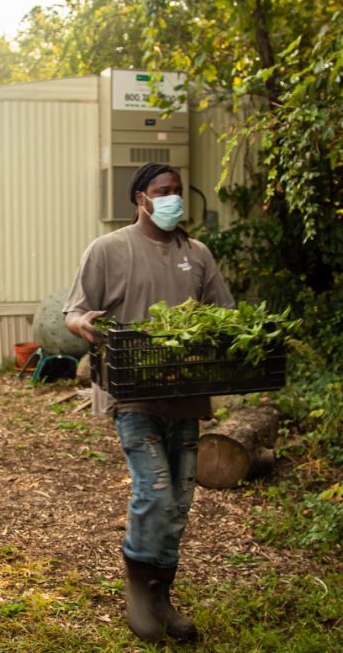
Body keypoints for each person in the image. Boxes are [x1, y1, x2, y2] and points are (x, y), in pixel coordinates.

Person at [63, 163, 234, 643]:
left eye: (178, 191)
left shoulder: (197, 254)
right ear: (140, 198)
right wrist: (82, 326)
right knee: (155, 491)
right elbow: (73, 311)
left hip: (187, 394)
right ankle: (138, 587)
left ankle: (162, 595)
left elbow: (227, 315)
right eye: (163, 191)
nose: (173, 199)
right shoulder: (108, 250)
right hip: (133, 395)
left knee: (178, 503)